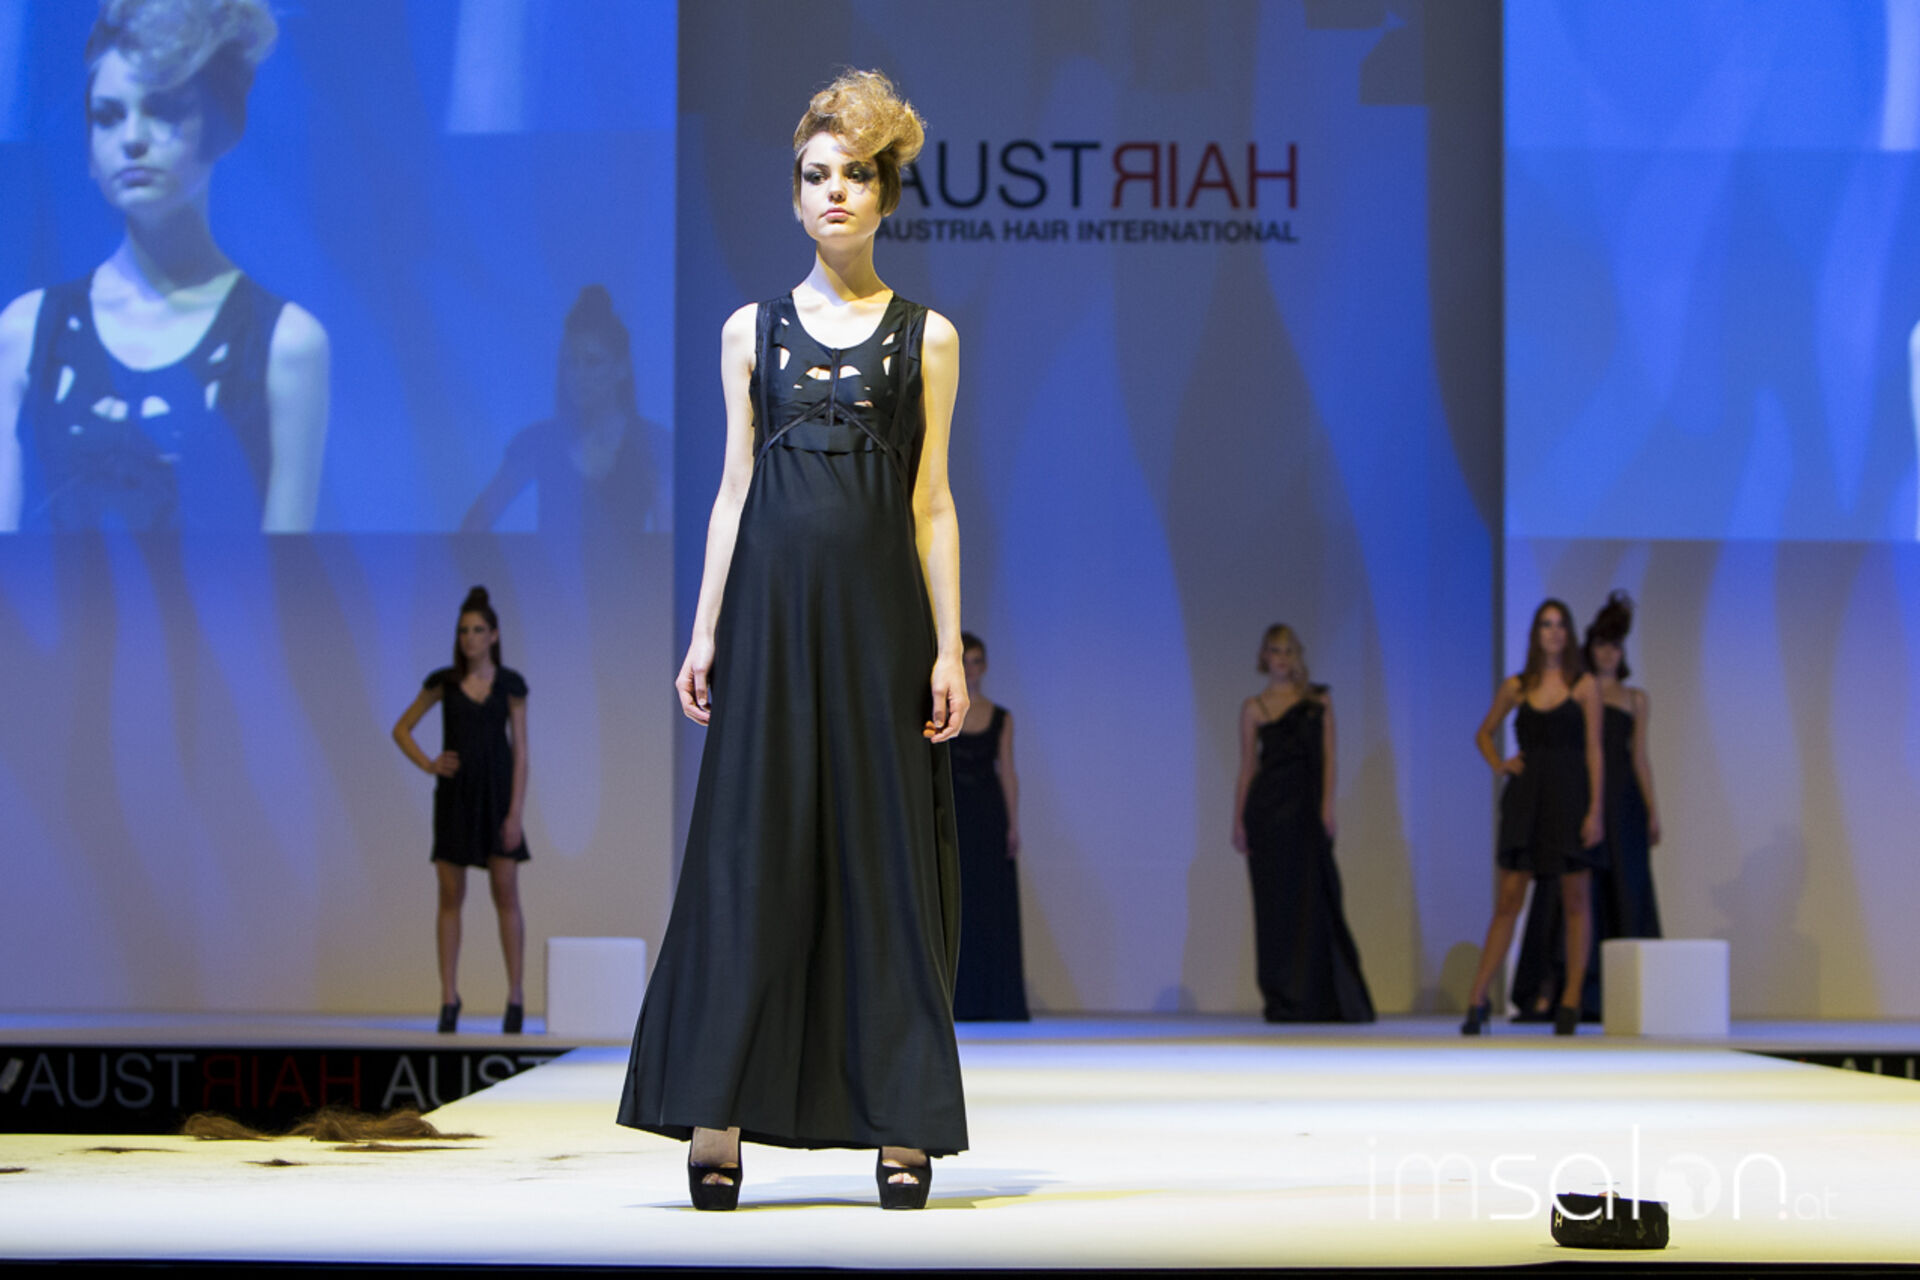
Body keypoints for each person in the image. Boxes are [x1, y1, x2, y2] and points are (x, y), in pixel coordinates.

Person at [617, 70, 965, 1211]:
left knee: (884, 860)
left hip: (877, 630)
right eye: (816, 175)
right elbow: (732, 490)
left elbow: (932, 504)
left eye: (855, 175)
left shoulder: (927, 337)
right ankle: (715, 1109)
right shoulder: (749, 330)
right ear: (796, 193)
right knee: (746, 855)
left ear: (886, 193)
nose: (834, 193)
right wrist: (704, 628)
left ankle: (902, 1119)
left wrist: (947, 649)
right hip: (767, 622)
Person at [0, 0, 328, 533]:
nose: (132, 138)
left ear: (222, 127)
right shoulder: (27, 332)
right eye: (108, 116)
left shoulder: (287, 345)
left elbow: (286, 571)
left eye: (164, 111)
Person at [1510, 592, 1665, 1019]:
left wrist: (1652, 809)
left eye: (1615, 646)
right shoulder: (1579, 690)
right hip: (1581, 796)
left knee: (1625, 890)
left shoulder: (1635, 699)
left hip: (1624, 805)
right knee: (1569, 895)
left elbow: (1639, 757)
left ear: (1623, 651)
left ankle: (1631, 994)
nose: (1608, 653)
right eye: (1601, 645)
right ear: (1589, 648)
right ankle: (1560, 988)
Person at [392, 587, 531, 1035]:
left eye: (477, 630)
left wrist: (515, 813)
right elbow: (402, 728)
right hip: (455, 798)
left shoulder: (510, 685)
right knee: (450, 897)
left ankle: (515, 997)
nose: (469, 638)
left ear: (494, 635)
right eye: (463, 631)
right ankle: (449, 998)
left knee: (506, 895)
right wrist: (429, 763)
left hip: (497, 798)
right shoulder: (445, 682)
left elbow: (521, 752)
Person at [1463, 599, 1604, 1037]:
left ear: (1569, 633)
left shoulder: (1584, 686)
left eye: (1560, 625)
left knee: (1576, 899)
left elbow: (1594, 751)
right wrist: (1500, 764)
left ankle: (1571, 998)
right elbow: (1483, 733)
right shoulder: (1517, 686)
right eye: (1546, 624)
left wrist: (1596, 809)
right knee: (1509, 900)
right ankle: (1478, 998)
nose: (1554, 632)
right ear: (1535, 633)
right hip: (1527, 801)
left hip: (1569, 799)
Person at [1231, 625, 1375, 1022]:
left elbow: (1329, 757)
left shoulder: (1317, 701)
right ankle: (1282, 996)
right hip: (1267, 815)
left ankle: (1317, 997)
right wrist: (1239, 821)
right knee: (1274, 907)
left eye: (1287, 650)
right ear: (1264, 656)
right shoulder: (1254, 708)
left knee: (1315, 901)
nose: (1281, 658)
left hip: (1306, 813)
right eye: (1274, 651)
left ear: (1297, 655)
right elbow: (1247, 768)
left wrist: (1328, 807)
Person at [461, 284, 669, 538]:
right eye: (571, 363)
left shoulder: (652, 445)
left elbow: (665, 536)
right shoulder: (537, 442)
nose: (580, 375)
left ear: (621, 368)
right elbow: (473, 526)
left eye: (592, 362)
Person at [950, 632, 1029, 1021]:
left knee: (991, 906)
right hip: (953, 816)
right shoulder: (943, 710)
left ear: (985, 666)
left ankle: (996, 1000)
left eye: (977, 661)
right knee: (958, 903)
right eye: (965, 661)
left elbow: (1008, 773)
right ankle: (958, 998)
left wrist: (1013, 825)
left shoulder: (1001, 717)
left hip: (988, 816)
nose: (971, 669)